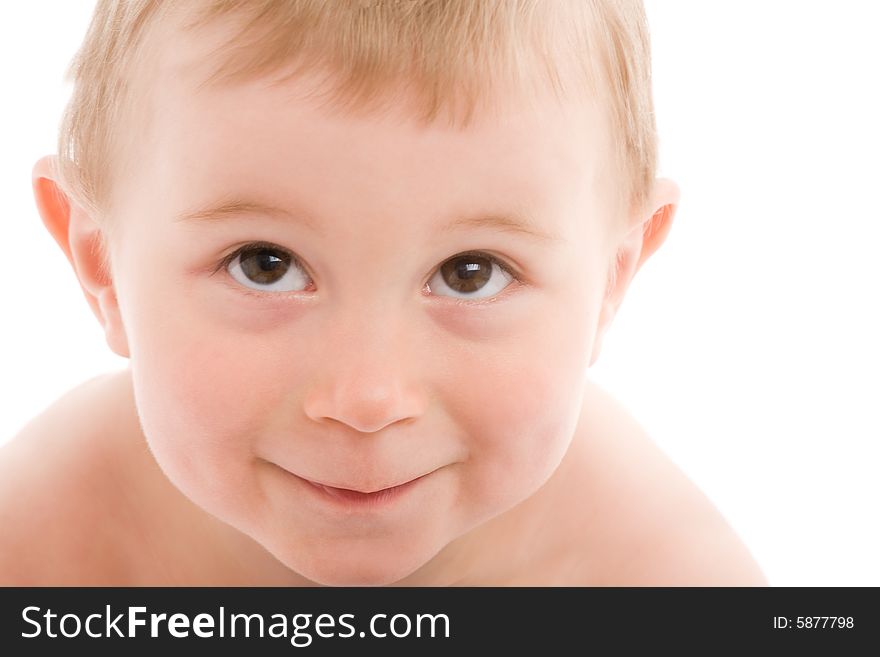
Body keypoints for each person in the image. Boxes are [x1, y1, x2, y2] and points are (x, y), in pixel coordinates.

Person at [0, 0, 767, 586]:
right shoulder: (37, 541)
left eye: (472, 271)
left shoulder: (662, 581)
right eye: (264, 263)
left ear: (612, 279)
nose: (366, 397)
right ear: (100, 262)